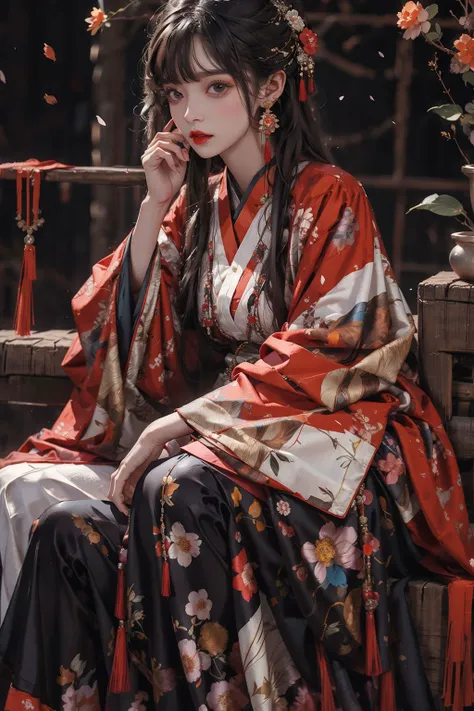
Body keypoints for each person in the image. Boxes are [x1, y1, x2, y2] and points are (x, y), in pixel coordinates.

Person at [0, 0, 473, 709]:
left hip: (324, 430)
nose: (192, 108)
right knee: (29, 497)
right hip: (223, 432)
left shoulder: (331, 196)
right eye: (176, 91)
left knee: (176, 481)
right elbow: (139, 341)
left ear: (272, 86)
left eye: (216, 86)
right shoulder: (195, 205)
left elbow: (332, 347)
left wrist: (179, 426)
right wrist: (152, 207)